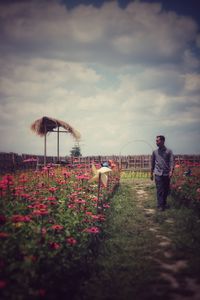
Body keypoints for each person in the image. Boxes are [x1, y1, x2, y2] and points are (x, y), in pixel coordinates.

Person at [151, 135, 174, 211]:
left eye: (158, 140)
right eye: (156, 141)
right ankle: (160, 206)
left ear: (163, 141)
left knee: (166, 190)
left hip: (166, 173)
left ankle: (163, 203)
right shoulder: (155, 152)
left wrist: (171, 171)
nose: (156, 142)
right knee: (160, 189)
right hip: (158, 173)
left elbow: (171, 162)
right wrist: (151, 173)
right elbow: (152, 163)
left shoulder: (169, 151)